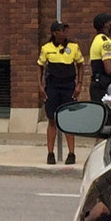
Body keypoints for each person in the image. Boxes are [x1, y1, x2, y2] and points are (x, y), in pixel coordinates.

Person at [40, 20, 85, 166]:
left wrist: (79, 84)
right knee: (51, 119)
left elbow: (80, 65)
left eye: (66, 30)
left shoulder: (73, 47)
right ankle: (50, 153)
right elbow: (40, 66)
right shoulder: (46, 48)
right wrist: (40, 85)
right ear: (54, 33)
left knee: (68, 120)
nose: (65, 33)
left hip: (68, 86)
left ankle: (71, 153)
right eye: (61, 30)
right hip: (52, 86)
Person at [89, 13, 111, 102]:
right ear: (106, 24)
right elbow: (110, 69)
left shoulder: (97, 40)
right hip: (105, 87)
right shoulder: (106, 43)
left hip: (98, 86)